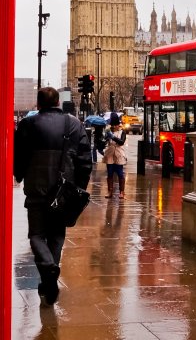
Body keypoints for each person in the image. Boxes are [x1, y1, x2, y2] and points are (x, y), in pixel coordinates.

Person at [13, 86, 91, 305]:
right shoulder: (74, 124)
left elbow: (18, 157)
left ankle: (48, 274)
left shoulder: (28, 124)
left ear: (38, 104)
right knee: (57, 236)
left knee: (36, 235)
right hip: (63, 191)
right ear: (58, 103)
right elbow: (85, 161)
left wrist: (19, 175)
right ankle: (50, 277)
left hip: (36, 190)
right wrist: (78, 188)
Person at [102, 113, 128, 198]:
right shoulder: (108, 131)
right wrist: (105, 137)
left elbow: (121, 142)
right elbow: (104, 143)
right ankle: (110, 191)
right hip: (110, 155)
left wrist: (113, 137)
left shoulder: (122, 132)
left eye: (115, 125)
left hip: (119, 155)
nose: (114, 127)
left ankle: (122, 191)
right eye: (112, 125)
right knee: (110, 173)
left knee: (120, 173)